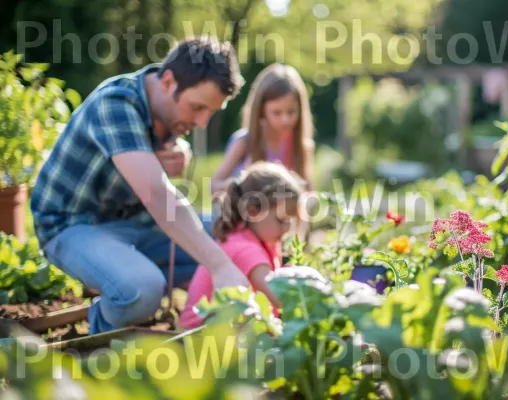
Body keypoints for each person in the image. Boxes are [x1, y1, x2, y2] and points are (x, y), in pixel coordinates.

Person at [30, 36, 250, 335]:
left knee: (237, 233)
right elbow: (157, 194)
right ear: (169, 81)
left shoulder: (168, 109)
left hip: (136, 224)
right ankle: (102, 336)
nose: (202, 122)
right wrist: (220, 266)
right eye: (198, 108)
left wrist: (178, 152)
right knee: (141, 288)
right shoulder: (116, 103)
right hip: (71, 226)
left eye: (210, 112)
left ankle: (143, 283)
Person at [179, 161, 305, 329]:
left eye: (290, 221)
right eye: (282, 220)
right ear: (253, 211)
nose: (287, 227)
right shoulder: (247, 249)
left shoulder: (256, 237)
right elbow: (279, 297)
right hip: (200, 334)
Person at [201, 63, 315, 235]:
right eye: (277, 113)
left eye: (291, 112)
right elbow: (214, 186)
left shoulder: (301, 148)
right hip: (240, 229)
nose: (285, 120)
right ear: (261, 110)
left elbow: (307, 197)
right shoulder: (244, 143)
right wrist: (244, 182)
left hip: (277, 235)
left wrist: (300, 240)